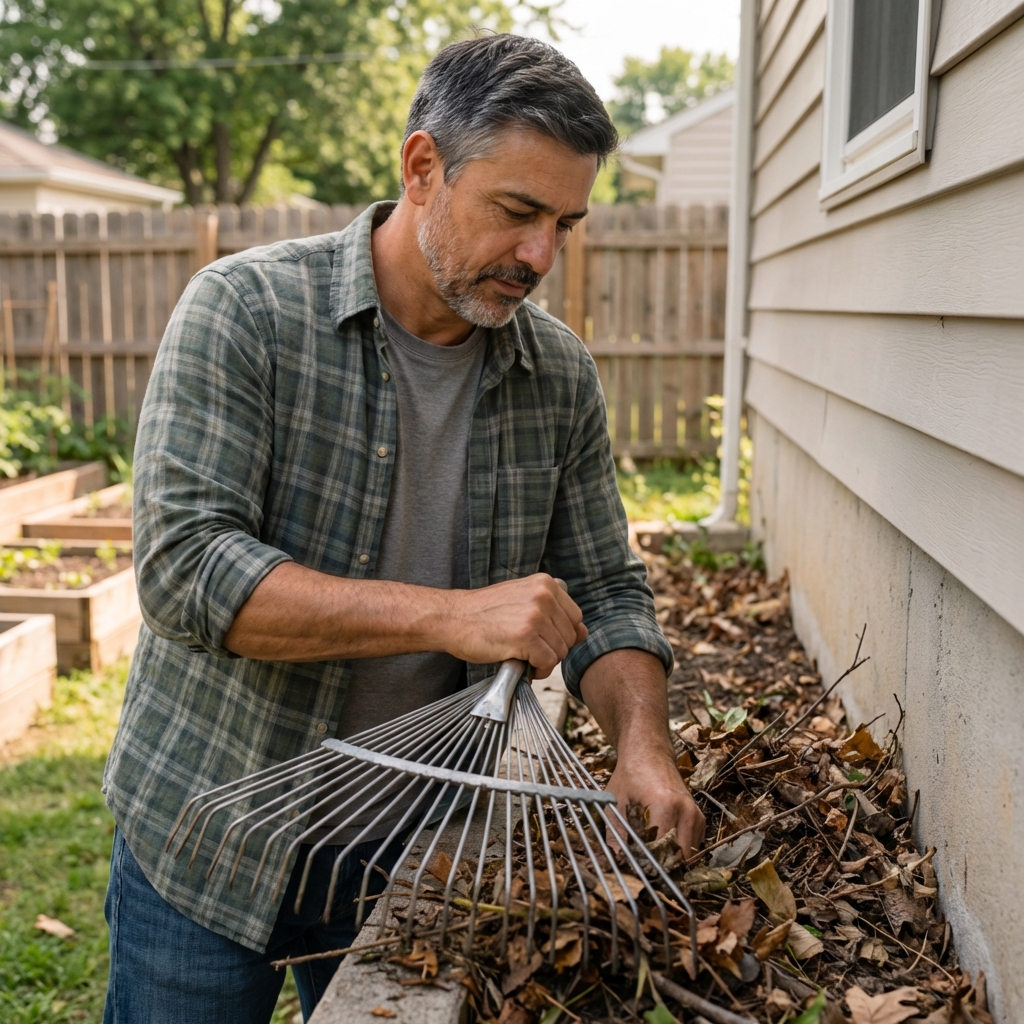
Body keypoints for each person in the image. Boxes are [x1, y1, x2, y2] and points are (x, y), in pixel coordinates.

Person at [100, 33, 705, 1024]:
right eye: (516, 212)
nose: (540, 256)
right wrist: (452, 616)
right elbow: (186, 572)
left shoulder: (556, 375)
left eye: (565, 222)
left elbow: (605, 587)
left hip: (420, 852)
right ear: (422, 167)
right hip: (214, 833)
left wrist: (641, 740)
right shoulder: (247, 311)